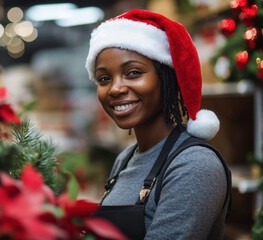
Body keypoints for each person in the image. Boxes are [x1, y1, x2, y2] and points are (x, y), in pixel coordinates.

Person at [85, 8, 231, 240]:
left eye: (133, 73)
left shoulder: (194, 164)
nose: (115, 88)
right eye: (104, 78)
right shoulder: (125, 159)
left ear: (166, 77)